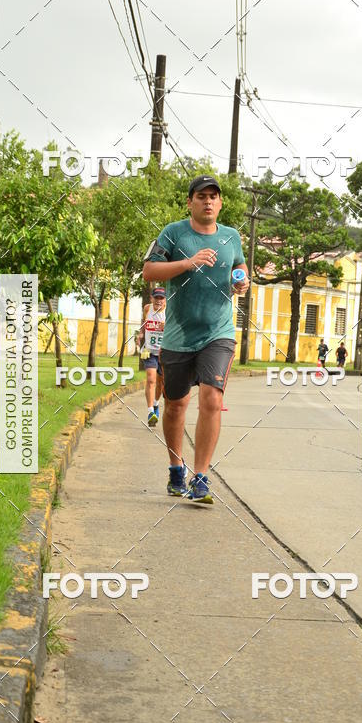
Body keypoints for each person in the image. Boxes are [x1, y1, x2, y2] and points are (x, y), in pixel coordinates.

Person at [142, 175, 249, 504]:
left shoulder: (231, 237)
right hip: (178, 335)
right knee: (175, 406)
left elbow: (240, 270)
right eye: (201, 196)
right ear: (190, 202)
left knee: (212, 400)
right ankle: (177, 468)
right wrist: (188, 263)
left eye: (213, 197)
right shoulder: (173, 233)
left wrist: (242, 283)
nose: (208, 201)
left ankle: (200, 476)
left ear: (220, 203)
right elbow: (149, 271)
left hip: (218, 333)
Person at [136, 286, 166, 426]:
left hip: (164, 353)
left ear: (165, 300)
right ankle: (150, 412)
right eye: (156, 297)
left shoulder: (169, 311)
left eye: (161, 298)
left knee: (160, 383)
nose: (158, 301)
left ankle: (155, 404)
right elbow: (144, 322)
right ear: (151, 298)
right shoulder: (147, 308)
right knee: (151, 379)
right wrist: (141, 333)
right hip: (149, 351)